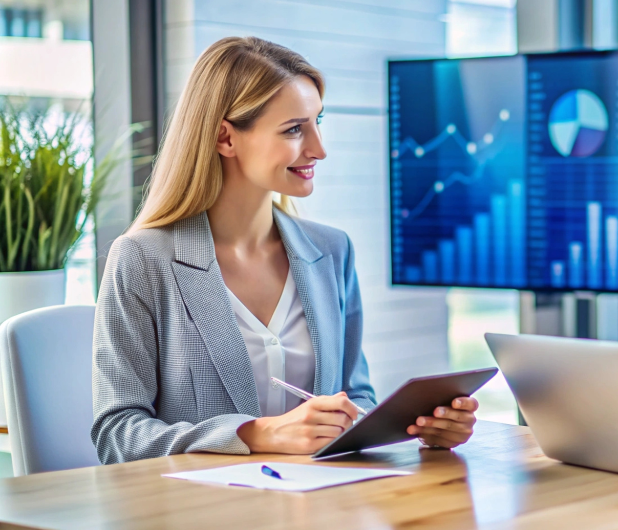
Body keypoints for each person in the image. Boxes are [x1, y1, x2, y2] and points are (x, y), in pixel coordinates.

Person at [91, 37, 477, 463]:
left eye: (317, 122)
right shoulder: (142, 260)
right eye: (294, 129)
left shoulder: (332, 251)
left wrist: (416, 428)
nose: (319, 148)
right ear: (225, 137)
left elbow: (354, 394)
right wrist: (257, 433)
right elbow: (117, 432)